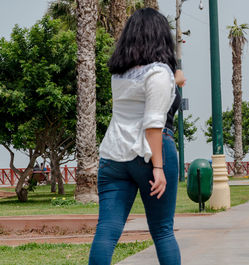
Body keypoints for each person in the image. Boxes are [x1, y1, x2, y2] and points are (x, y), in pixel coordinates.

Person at [88, 8, 185, 265]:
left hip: (113, 155)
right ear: (161, 36)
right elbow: (153, 124)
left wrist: (175, 80)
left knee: (107, 231)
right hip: (150, 153)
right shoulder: (159, 73)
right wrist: (159, 167)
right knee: (163, 231)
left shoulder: (119, 74)